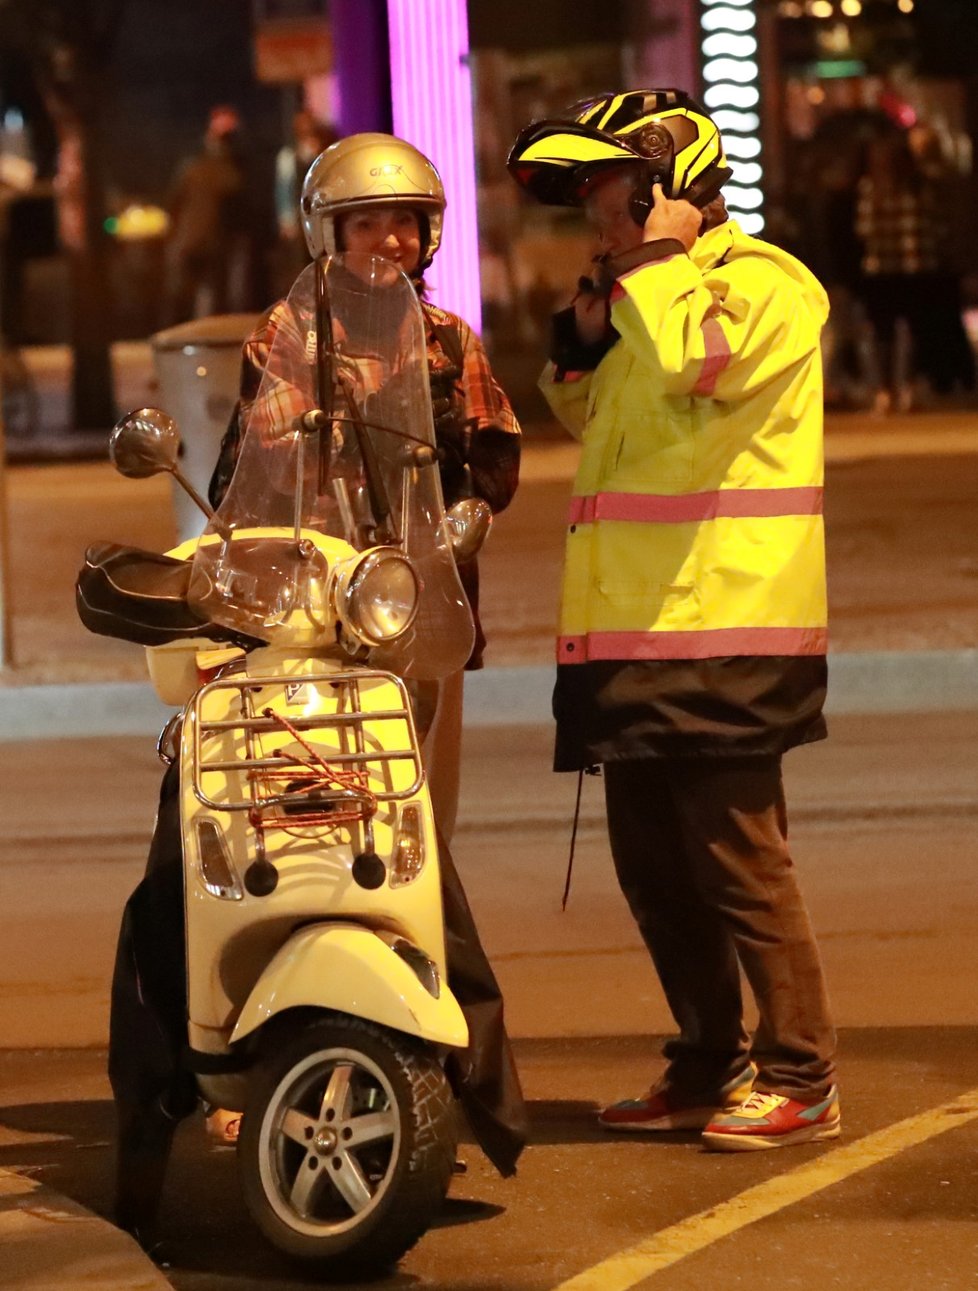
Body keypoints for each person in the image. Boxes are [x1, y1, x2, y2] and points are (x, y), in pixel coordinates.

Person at [108, 133, 525, 1252]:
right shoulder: (286, 333)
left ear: (429, 235)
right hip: (298, 622)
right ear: (325, 235)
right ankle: (157, 1086)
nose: (387, 240)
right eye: (365, 223)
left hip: (410, 630)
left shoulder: (448, 341)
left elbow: (497, 459)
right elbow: (249, 469)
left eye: (404, 222)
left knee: (412, 842)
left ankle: (471, 1081)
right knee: (196, 836)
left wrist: (452, 510)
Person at [508, 89, 838, 1151]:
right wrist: (583, 329)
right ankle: (705, 1062)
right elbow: (590, 408)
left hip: (729, 624)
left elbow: (704, 361)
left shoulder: (765, 284)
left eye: (608, 194)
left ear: (666, 185)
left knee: (738, 864)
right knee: (654, 870)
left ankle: (803, 1073)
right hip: (630, 632)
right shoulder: (647, 292)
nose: (596, 221)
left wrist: (649, 267)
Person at [163, 105, 249, 324]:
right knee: (192, 296)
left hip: (206, 242)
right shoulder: (206, 165)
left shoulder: (224, 166)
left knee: (203, 297)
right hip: (198, 241)